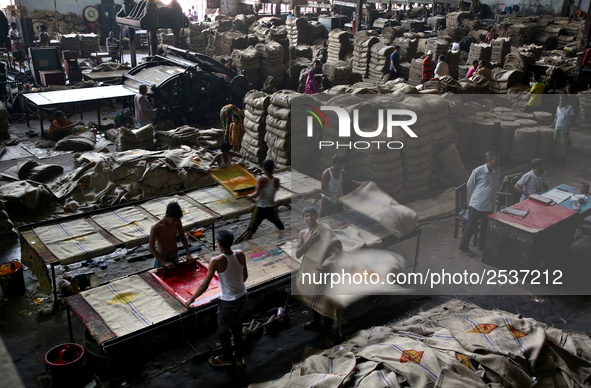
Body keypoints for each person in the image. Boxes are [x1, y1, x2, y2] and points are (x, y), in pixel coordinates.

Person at [186, 230, 248, 367]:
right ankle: (238, 358)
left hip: (229, 301)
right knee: (237, 328)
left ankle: (227, 357)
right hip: (243, 296)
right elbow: (245, 277)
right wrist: (236, 285)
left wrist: (192, 299)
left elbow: (204, 285)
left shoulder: (216, 261)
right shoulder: (240, 254)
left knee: (223, 329)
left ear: (218, 244)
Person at [296, 206, 338, 347]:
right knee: (312, 296)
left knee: (325, 302)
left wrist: (326, 265)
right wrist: (308, 242)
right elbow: (298, 254)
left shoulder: (325, 230)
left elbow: (335, 250)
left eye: (312, 215)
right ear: (304, 218)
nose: (310, 218)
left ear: (316, 216)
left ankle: (329, 334)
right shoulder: (302, 233)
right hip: (310, 269)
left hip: (324, 270)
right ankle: (316, 321)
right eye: (307, 216)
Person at [459, 150, 501, 257]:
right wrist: (479, 196)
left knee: (485, 227)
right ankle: (464, 247)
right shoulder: (478, 171)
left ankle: (481, 245)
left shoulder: (497, 170)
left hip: (489, 205)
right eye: (496, 159)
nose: (498, 161)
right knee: (471, 226)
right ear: (489, 160)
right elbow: (470, 185)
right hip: (478, 205)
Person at [245, 159, 284, 240]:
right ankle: (285, 239)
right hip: (271, 208)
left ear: (264, 169)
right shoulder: (276, 180)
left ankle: (246, 245)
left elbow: (256, 194)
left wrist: (247, 196)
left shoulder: (261, 179)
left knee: (251, 228)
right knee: (280, 225)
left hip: (260, 208)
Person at [149, 201, 194, 269]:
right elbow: (151, 248)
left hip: (175, 256)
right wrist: (165, 262)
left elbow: (183, 238)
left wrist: (188, 254)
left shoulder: (177, 222)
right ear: (167, 216)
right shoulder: (156, 227)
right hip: (162, 258)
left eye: (177, 220)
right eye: (173, 220)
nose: (175, 222)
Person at [319, 153, 365, 218]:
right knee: (323, 219)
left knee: (339, 219)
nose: (340, 167)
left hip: (339, 200)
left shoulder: (342, 172)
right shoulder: (327, 174)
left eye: (341, 165)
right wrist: (333, 195)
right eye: (338, 165)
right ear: (332, 163)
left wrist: (362, 183)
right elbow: (322, 190)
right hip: (327, 201)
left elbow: (349, 182)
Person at [549, 95, 574, 165]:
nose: (561, 102)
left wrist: (567, 129)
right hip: (557, 128)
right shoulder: (558, 108)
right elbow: (556, 118)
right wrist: (552, 125)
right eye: (560, 100)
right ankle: (556, 158)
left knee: (563, 145)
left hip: (564, 129)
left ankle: (562, 159)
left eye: (563, 100)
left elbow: (570, 119)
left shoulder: (570, 108)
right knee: (556, 143)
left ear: (566, 100)